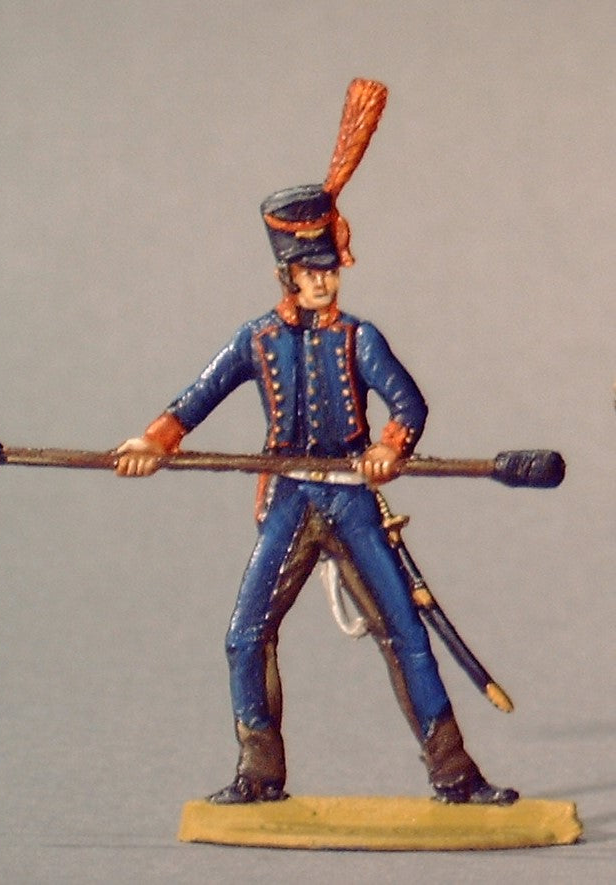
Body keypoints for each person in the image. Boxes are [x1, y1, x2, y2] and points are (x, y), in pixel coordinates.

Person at [116, 80, 518, 806]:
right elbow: (196, 398)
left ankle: (456, 776)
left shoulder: (360, 339)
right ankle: (258, 773)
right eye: (310, 273)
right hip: (290, 500)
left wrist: (390, 447)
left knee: (406, 634)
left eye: (329, 270)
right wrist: (154, 441)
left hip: (352, 501)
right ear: (287, 275)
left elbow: (408, 404)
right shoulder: (256, 339)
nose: (324, 283)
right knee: (244, 635)